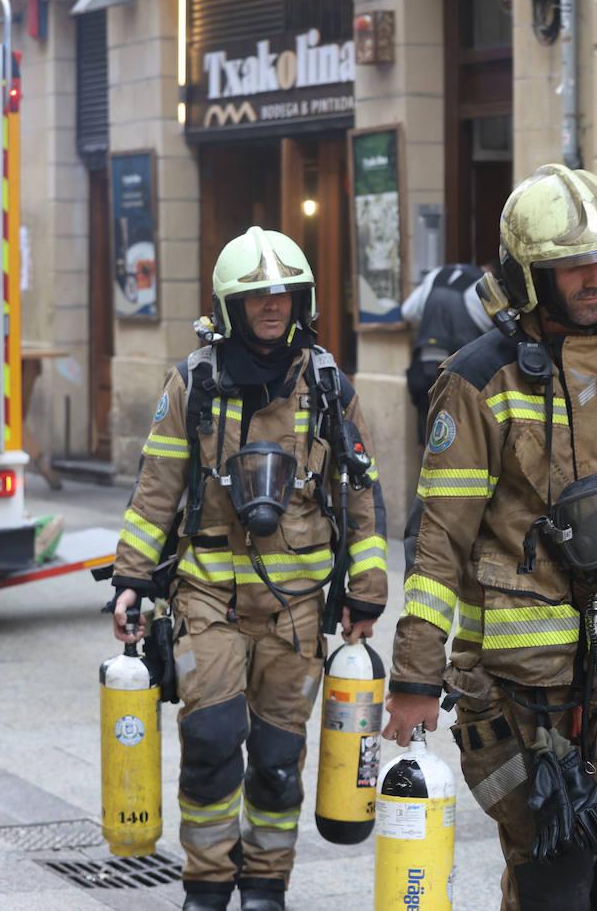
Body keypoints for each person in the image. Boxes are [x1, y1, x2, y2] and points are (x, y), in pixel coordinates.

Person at [382, 164, 597, 911]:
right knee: (556, 880)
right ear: (530, 274)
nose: (595, 277)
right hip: (519, 686)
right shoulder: (477, 383)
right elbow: (439, 543)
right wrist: (412, 678)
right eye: (572, 264)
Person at [109, 227, 388, 911]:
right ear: (231, 306)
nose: (273, 306)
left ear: (303, 301)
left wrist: (367, 590)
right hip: (209, 598)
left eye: (285, 294)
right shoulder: (194, 383)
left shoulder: (327, 386)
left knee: (274, 760)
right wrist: (131, 579)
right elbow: (157, 487)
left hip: (296, 610)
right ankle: (206, 885)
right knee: (209, 742)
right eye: (258, 296)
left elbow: (360, 492)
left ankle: (265, 884)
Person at [401, 262, 492, 443]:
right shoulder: (484, 284)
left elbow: (408, 312)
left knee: (430, 436)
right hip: (464, 374)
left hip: (425, 368)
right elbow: (494, 329)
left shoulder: (435, 275)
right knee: (463, 438)